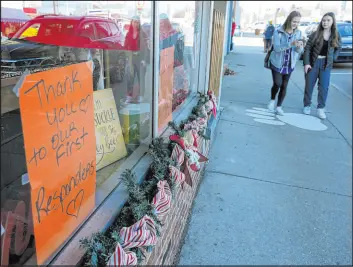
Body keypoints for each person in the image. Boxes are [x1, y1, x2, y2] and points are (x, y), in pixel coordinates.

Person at [302, 12, 342, 119]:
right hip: (313, 63)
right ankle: (307, 105)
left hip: (326, 65)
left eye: (328, 20)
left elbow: (339, 47)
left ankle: (320, 108)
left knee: (324, 87)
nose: (325, 22)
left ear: (332, 21)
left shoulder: (336, 35)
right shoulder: (315, 34)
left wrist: (333, 58)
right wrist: (306, 63)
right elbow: (307, 49)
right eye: (324, 20)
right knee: (309, 86)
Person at [267, 11, 304, 115]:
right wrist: (290, 44)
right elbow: (277, 48)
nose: (295, 24)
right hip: (277, 63)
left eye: (297, 22)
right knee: (277, 83)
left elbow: (299, 52)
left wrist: (299, 47)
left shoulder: (298, 33)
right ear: (289, 20)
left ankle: (279, 107)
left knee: (284, 85)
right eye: (294, 21)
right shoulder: (278, 32)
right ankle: (272, 100)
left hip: (289, 64)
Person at [124, 16, 149, 103]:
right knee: (129, 78)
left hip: (140, 59)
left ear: (139, 23)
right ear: (131, 23)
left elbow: (146, 48)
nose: (136, 24)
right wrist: (128, 59)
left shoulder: (143, 34)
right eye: (134, 22)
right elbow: (125, 47)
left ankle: (141, 96)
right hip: (131, 58)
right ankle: (129, 96)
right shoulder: (128, 34)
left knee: (141, 78)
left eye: (137, 22)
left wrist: (144, 60)